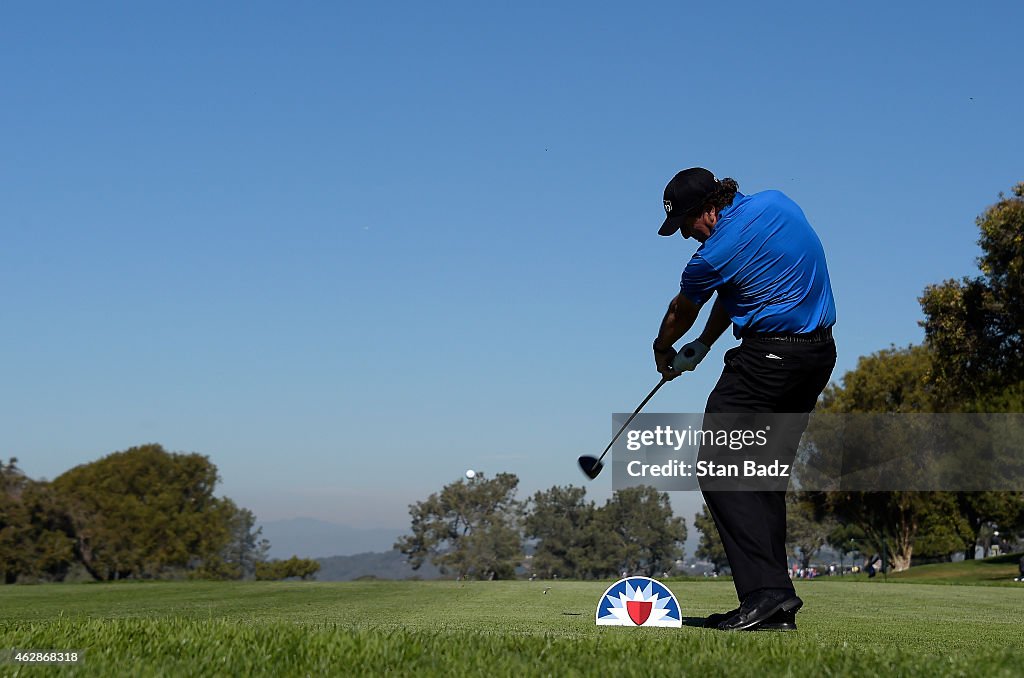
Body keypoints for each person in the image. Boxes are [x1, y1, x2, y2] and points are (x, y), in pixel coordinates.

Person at [651, 167, 837, 631]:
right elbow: (742, 278)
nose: (685, 237)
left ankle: (766, 593)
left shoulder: (709, 257)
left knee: (717, 468)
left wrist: (662, 349)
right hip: (817, 356)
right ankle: (775, 606)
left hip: (766, 361)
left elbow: (681, 311)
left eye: (685, 226)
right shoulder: (776, 202)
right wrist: (708, 344)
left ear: (704, 211)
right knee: (761, 477)